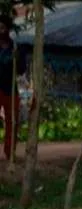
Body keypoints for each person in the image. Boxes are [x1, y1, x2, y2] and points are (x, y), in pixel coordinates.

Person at [0, 16, 28, 162]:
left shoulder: (16, 48)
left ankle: (9, 152)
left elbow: (21, 70)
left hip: (10, 89)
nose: (0, 31)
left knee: (12, 121)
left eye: (2, 28)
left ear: (8, 30)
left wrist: (17, 59)